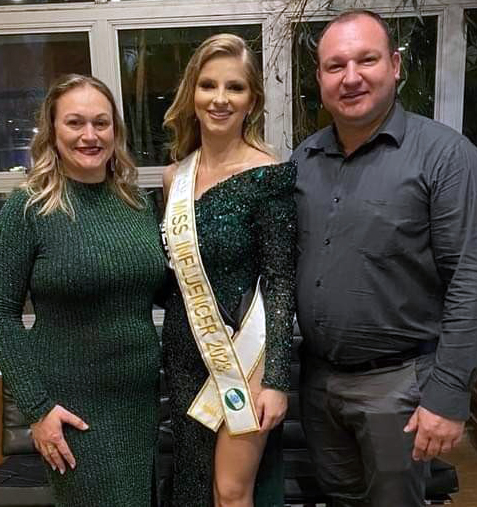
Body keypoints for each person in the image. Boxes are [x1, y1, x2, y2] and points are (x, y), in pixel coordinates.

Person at [292, 9, 477, 507]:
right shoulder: (304, 160)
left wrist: (449, 394)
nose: (351, 77)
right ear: (319, 78)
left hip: (399, 386)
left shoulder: (445, 156)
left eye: (367, 60)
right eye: (335, 66)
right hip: (318, 383)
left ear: (395, 65)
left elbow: (473, 278)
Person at [0, 74, 167, 506]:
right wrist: (38, 409)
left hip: (139, 402)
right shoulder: (29, 207)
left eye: (101, 123)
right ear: (53, 130)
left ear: (115, 131)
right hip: (71, 410)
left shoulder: (136, 204)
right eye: (75, 122)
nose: (90, 135)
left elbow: (154, 289)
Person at [161, 33, 296, 506]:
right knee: (195, 487)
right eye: (208, 85)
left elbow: (281, 280)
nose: (220, 99)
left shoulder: (267, 174)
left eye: (234, 87)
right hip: (184, 353)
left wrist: (276, 378)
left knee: (231, 492)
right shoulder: (174, 178)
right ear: (192, 94)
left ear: (251, 100)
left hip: (246, 357)